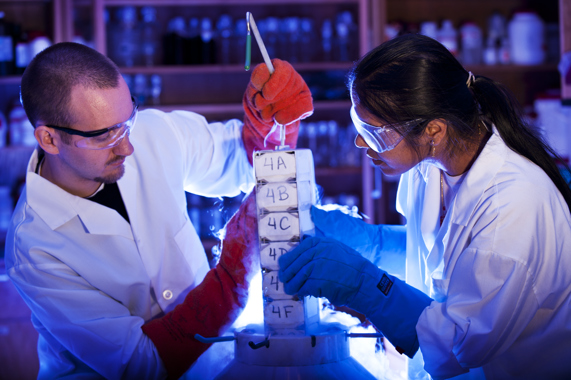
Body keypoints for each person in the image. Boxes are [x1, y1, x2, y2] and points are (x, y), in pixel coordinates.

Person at [4, 42, 312, 379]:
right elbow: (143, 365)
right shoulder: (33, 246)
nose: (128, 146)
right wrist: (231, 276)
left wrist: (266, 124)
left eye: (127, 120)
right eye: (104, 135)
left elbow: (241, 164)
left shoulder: (152, 131)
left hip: (212, 365)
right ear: (49, 139)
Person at [278, 33, 571, 380]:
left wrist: (364, 285)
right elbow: (443, 256)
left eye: (372, 132)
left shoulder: (514, 206)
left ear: (433, 129)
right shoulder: (428, 164)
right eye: (358, 125)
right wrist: (371, 244)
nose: (359, 142)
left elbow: (459, 344)